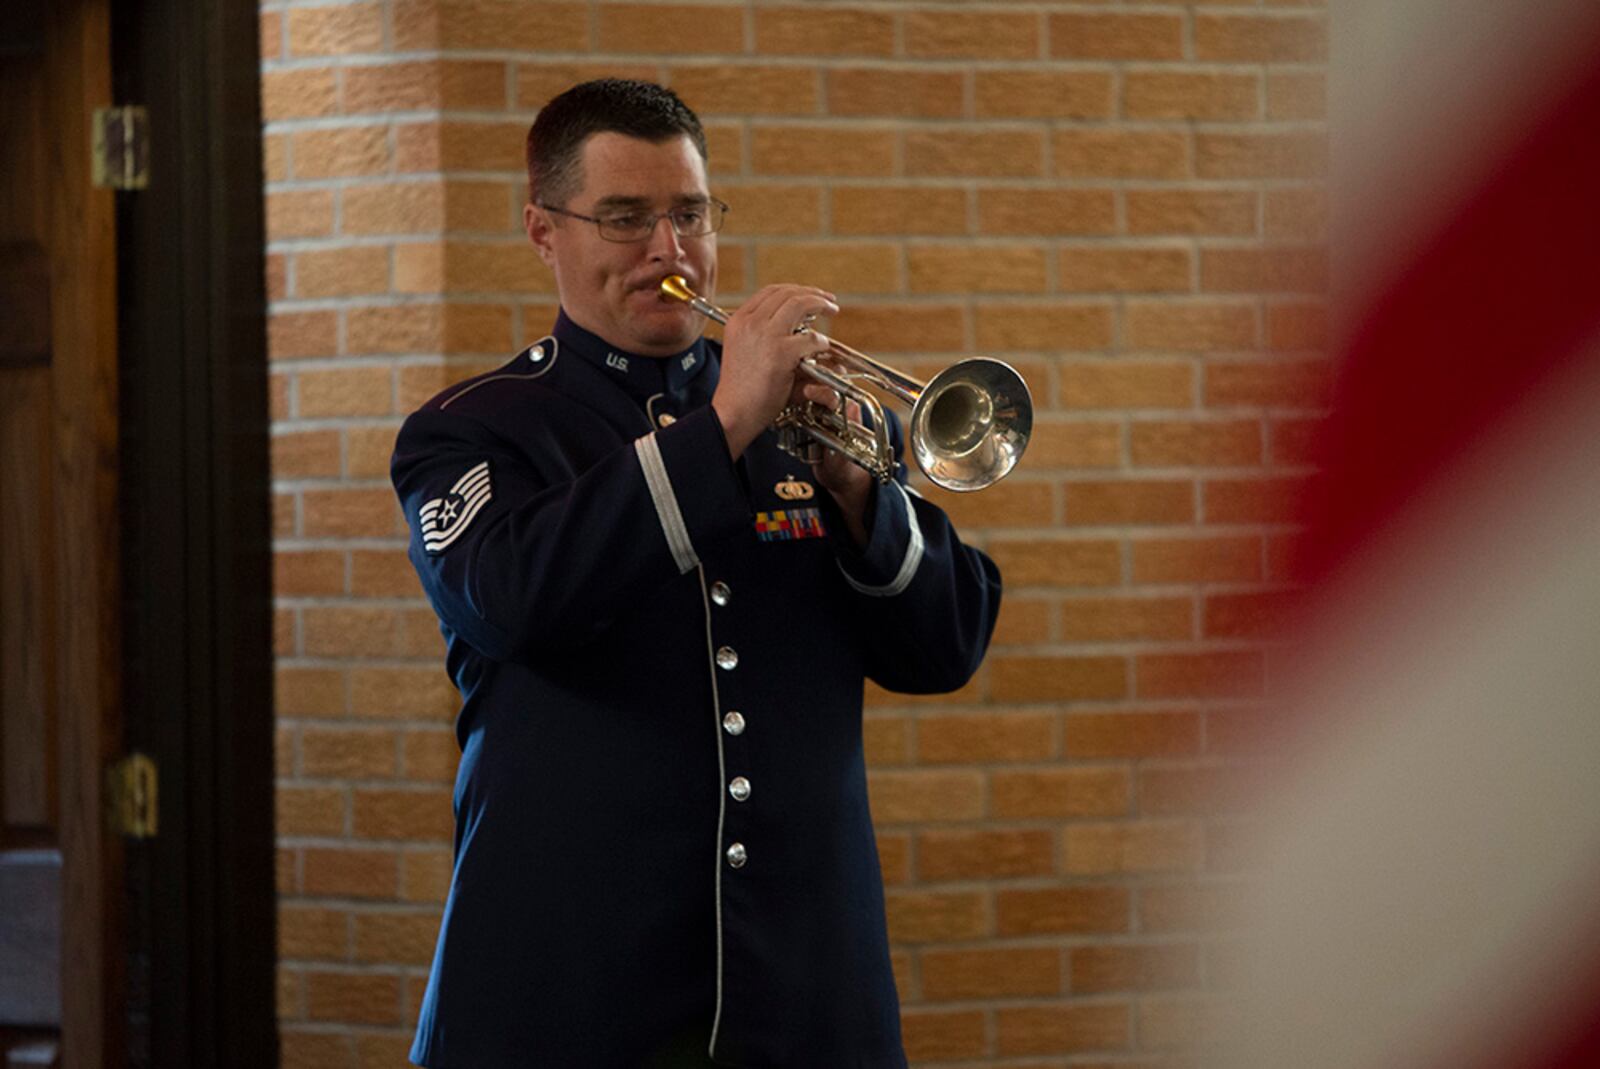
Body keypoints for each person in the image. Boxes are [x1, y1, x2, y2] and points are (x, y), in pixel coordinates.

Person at [391, 78, 1002, 1068]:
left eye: (689, 214)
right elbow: (516, 597)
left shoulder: (813, 419)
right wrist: (722, 427)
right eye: (625, 218)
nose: (668, 252)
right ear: (544, 232)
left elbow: (944, 648)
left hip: (803, 986)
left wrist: (861, 497)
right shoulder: (474, 429)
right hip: (569, 982)